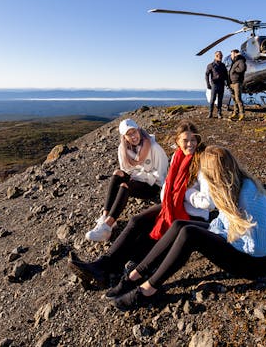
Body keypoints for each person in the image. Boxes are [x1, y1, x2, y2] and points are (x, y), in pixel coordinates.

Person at [107, 145, 266, 310]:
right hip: (234, 237)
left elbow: (261, 248)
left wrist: (227, 240)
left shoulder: (248, 196)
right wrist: (221, 234)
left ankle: (147, 290)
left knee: (190, 234)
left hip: (253, 261)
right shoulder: (234, 183)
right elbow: (226, 221)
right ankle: (134, 275)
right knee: (179, 225)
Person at [69, 121, 215, 287]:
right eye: (185, 141)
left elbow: (209, 203)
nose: (190, 144)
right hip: (172, 204)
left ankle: (114, 272)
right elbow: (167, 185)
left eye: (193, 140)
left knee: (147, 238)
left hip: (193, 214)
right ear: (177, 142)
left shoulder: (203, 162)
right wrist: (172, 192)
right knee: (136, 221)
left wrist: (183, 192)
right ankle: (101, 266)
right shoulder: (177, 157)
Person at [84, 118, 169, 242]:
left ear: (139, 130)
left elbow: (162, 174)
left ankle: (107, 227)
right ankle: (105, 216)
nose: (133, 136)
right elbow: (126, 169)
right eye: (129, 134)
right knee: (117, 173)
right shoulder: (123, 149)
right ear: (124, 137)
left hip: (152, 185)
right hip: (137, 178)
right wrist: (135, 176)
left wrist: (138, 178)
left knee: (125, 186)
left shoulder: (153, 147)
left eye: (134, 132)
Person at [205, 50, 229, 119]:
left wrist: (227, 82)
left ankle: (219, 113)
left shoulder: (223, 65)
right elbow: (206, 75)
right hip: (214, 85)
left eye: (221, 55)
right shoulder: (210, 65)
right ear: (216, 56)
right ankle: (210, 113)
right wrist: (208, 84)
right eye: (219, 55)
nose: (221, 56)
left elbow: (226, 75)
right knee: (212, 99)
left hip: (222, 84)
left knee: (220, 100)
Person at [228, 49, 247, 121]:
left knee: (238, 99)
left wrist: (235, 70)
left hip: (237, 83)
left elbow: (242, 69)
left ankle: (242, 114)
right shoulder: (235, 62)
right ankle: (235, 113)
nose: (231, 56)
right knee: (234, 99)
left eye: (232, 54)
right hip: (232, 83)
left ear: (235, 54)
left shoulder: (240, 61)